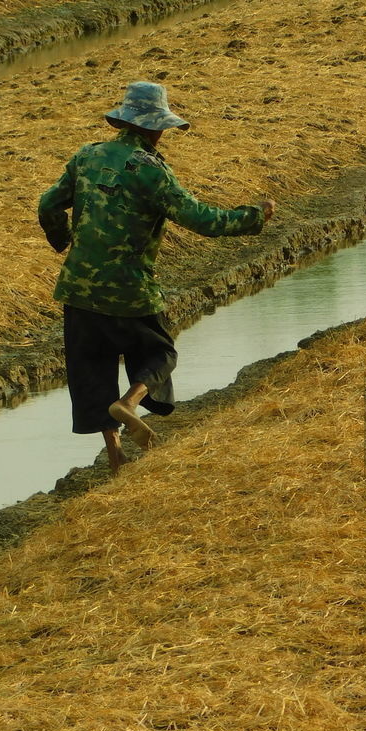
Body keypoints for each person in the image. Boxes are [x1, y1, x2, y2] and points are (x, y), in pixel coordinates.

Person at [38, 81, 275, 475]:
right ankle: (129, 402)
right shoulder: (152, 171)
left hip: (78, 289)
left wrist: (65, 240)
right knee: (160, 354)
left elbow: (49, 203)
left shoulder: (88, 156)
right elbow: (201, 219)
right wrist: (253, 216)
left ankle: (116, 458)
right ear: (156, 128)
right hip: (129, 289)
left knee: (92, 370)